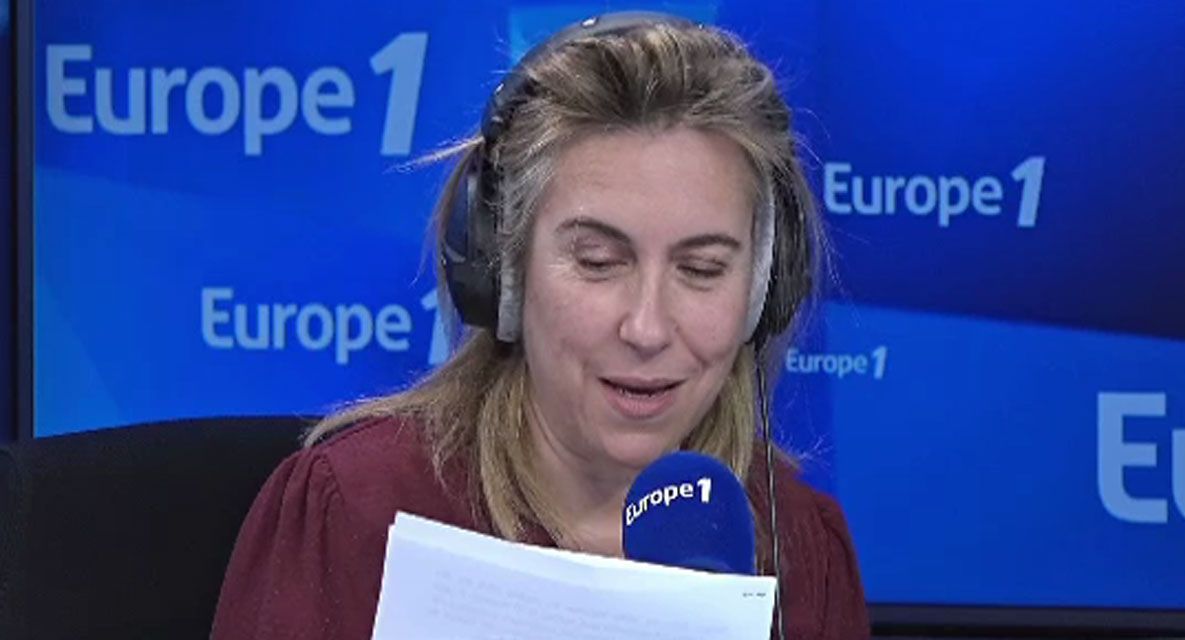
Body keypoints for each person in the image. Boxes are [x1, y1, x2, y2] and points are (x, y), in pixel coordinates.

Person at [212, 12, 869, 640]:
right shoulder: (357, 510)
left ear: (764, 290)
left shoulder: (799, 547)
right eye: (598, 261)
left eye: (701, 269)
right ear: (503, 268)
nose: (646, 328)